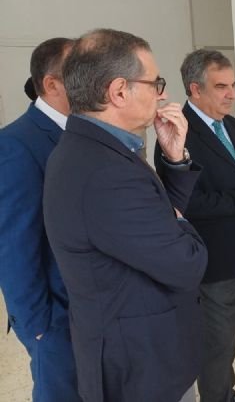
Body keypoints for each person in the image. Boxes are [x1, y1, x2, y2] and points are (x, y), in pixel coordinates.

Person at [42, 29, 208, 402]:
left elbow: (150, 229)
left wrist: (174, 160)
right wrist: (177, 220)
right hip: (141, 368)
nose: (162, 95)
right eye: (155, 83)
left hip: (136, 349)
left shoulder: (93, 149)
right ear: (119, 91)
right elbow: (187, 263)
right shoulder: (105, 173)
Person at [155, 49, 235, 402]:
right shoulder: (177, 134)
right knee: (216, 344)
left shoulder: (232, 125)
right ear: (195, 89)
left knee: (229, 337)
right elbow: (187, 203)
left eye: (233, 85)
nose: (231, 94)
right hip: (215, 262)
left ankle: (225, 392)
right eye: (221, 87)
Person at [0, 37, 82, 402]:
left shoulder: (84, 133)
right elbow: (13, 246)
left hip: (93, 311)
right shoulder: (16, 144)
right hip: (55, 319)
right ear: (51, 84)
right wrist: (38, 327)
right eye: (81, 72)